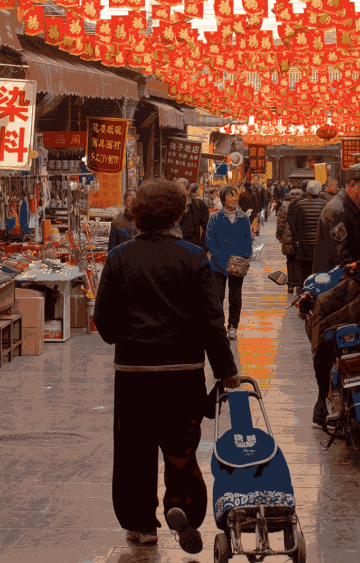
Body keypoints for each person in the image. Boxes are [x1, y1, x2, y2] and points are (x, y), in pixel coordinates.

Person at [94, 179, 240, 555]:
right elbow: (213, 321)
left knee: (134, 452)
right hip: (183, 372)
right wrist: (226, 370)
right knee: (181, 449)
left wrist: (128, 335)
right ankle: (182, 506)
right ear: (178, 213)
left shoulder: (119, 258)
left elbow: (105, 325)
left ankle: (141, 525)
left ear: (137, 214)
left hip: (134, 375)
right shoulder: (193, 258)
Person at [310, 162, 360, 426]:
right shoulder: (337, 211)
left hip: (348, 290)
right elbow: (344, 260)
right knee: (330, 346)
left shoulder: (349, 208)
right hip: (337, 292)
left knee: (354, 345)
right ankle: (324, 404)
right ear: (352, 187)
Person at [205, 185, 255, 340]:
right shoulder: (215, 217)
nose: (234, 199)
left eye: (235, 196)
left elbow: (248, 239)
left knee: (235, 296)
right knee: (218, 296)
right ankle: (218, 326)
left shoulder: (243, 217)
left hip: (237, 264)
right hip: (219, 265)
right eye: (230, 196)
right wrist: (219, 258)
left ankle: (233, 326)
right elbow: (210, 240)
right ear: (222, 198)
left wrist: (245, 256)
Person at [289, 180, 327, 284]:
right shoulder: (325, 205)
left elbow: (296, 225)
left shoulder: (299, 205)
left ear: (307, 192)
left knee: (305, 271)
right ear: (319, 192)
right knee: (318, 271)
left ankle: (304, 291)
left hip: (304, 244)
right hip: (320, 245)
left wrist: (298, 240)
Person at [276, 185, 305, 299]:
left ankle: (290, 284)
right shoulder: (302, 203)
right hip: (299, 237)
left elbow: (281, 222)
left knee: (289, 261)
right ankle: (298, 284)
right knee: (298, 261)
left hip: (287, 237)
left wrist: (279, 236)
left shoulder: (284, 204)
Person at [177, 178, 210, 250]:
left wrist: (203, 248)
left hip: (194, 247)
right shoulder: (173, 206)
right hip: (177, 248)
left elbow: (207, 228)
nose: (178, 194)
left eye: (180, 191)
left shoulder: (199, 205)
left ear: (188, 190)